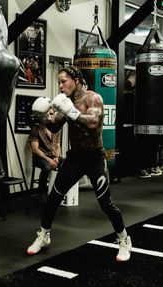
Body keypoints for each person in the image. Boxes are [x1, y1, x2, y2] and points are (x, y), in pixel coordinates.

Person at [26, 65, 132, 262]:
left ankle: (124, 239)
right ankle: (43, 235)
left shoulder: (93, 98)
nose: (60, 86)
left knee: (105, 203)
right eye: (58, 82)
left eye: (63, 81)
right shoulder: (65, 102)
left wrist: (70, 111)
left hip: (94, 158)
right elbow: (55, 126)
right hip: (75, 158)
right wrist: (42, 117)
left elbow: (93, 123)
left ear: (75, 80)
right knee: (53, 198)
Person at [29, 107, 64, 203]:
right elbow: (35, 149)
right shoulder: (36, 130)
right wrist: (49, 160)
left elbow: (57, 145)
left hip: (53, 156)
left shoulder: (56, 129)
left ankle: (58, 190)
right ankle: (41, 192)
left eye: (52, 114)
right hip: (40, 157)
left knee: (65, 163)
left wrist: (56, 157)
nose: (49, 116)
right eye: (48, 114)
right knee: (46, 167)